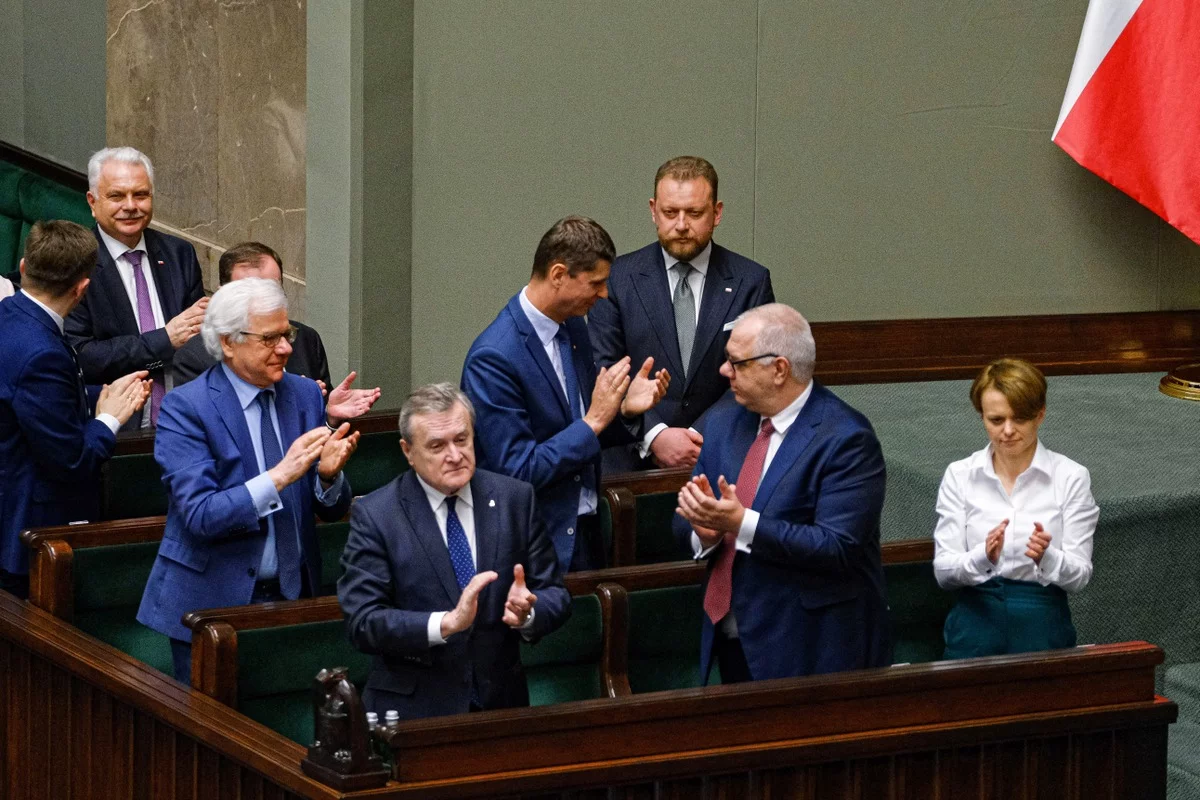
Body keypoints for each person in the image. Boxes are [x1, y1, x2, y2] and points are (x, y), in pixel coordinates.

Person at [136, 278, 357, 684]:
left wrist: (327, 477)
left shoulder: (306, 395)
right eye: (270, 338)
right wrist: (279, 476)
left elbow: (331, 506)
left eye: (286, 334)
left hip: (296, 596)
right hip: (211, 606)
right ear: (228, 343)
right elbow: (201, 514)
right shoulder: (187, 409)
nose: (288, 348)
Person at [674, 303, 889, 683]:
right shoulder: (723, 422)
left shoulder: (846, 438)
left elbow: (838, 547)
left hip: (813, 648)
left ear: (779, 369)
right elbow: (689, 511)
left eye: (737, 363)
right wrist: (703, 534)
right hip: (730, 635)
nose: (725, 371)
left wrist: (741, 524)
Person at [339, 383, 569, 720]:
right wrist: (444, 624)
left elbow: (555, 594)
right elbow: (363, 622)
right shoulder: (377, 515)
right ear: (407, 451)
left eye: (462, 439)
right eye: (437, 445)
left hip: (501, 708)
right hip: (414, 713)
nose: (455, 454)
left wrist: (529, 614)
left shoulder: (514, 499)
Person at [461, 215, 670, 571]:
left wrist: (625, 411)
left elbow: (584, 425)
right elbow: (517, 472)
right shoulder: (493, 358)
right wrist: (594, 421)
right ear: (558, 275)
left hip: (587, 533)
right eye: (596, 283)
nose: (604, 294)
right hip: (534, 549)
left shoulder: (573, 327)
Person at [589, 156, 774, 471]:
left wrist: (696, 437)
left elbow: (755, 374)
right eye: (670, 212)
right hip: (629, 461)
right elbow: (603, 368)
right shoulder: (617, 279)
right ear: (653, 211)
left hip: (719, 459)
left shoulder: (750, 281)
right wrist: (657, 435)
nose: (681, 225)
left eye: (695, 213)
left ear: (716, 213)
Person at [0, 221, 150, 598]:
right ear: (82, 288)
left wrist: (99, 392)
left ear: (23, 267)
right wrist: (110, 418)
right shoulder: (42, 352)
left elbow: (33, 399)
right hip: (32, 536)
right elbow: (71, 460)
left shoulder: (9, 316)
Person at [932, 358, 1098, 659]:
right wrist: (983, 556)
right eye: (996, 420)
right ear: (981, 416)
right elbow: (943, 572)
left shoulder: (1070, 476)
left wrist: (1048, 556)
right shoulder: (960, 474)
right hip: (975, 618)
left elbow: (1080, 575)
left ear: (1040, 415)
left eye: (1019, 419)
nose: (1007, 430)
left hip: (1042, 620)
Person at [65, 146, 209, 431]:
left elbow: (200, 340)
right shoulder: (75, 263)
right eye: (117, 196)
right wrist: (164, 340)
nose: (130, 206)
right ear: (92, 202)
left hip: (185, 424)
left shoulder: (179, 254)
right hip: (114, 430)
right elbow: (80, 355)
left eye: (140, 195)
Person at [171, 241, 380, 424]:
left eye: (272, 289)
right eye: (250, 292)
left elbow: (318, 440)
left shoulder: (305, 339)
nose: (284, 348)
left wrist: (328, 416)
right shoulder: (193, 358)